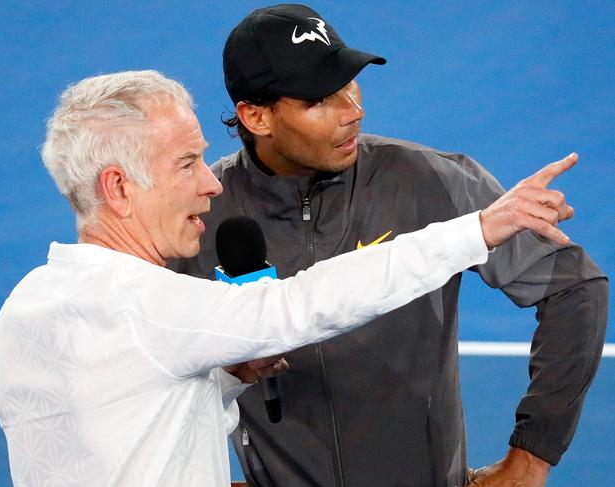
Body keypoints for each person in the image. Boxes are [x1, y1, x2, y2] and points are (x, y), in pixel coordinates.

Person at [0, 70, 574, 487]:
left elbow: (125, 406)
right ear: (118, 188)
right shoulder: (149, 307)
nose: (212, 184)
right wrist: (474, 229)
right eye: (186, 163)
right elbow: (302, 305)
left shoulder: (30, 304)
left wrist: (223, 381)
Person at [167, 4, 609, 487]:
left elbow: (574, 289)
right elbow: (139, 362)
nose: (352, 111)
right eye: (319, 100)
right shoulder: (197, 214)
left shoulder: (431, 180)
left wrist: (532, 455)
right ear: (256, 116)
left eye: (349, 85)